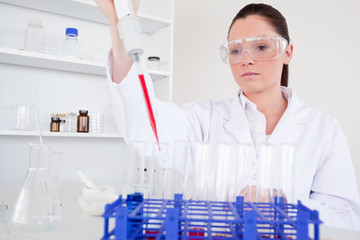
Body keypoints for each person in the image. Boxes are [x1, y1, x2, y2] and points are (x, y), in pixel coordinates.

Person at [95, 1, 360, 230]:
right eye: (235, 50)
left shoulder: (322, 128)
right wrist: (121, 27)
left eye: (261, 47)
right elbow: (147, 126)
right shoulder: (205, 119)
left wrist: (287, 207)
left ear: (287, 52)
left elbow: (345, 218)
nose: (246, 59)